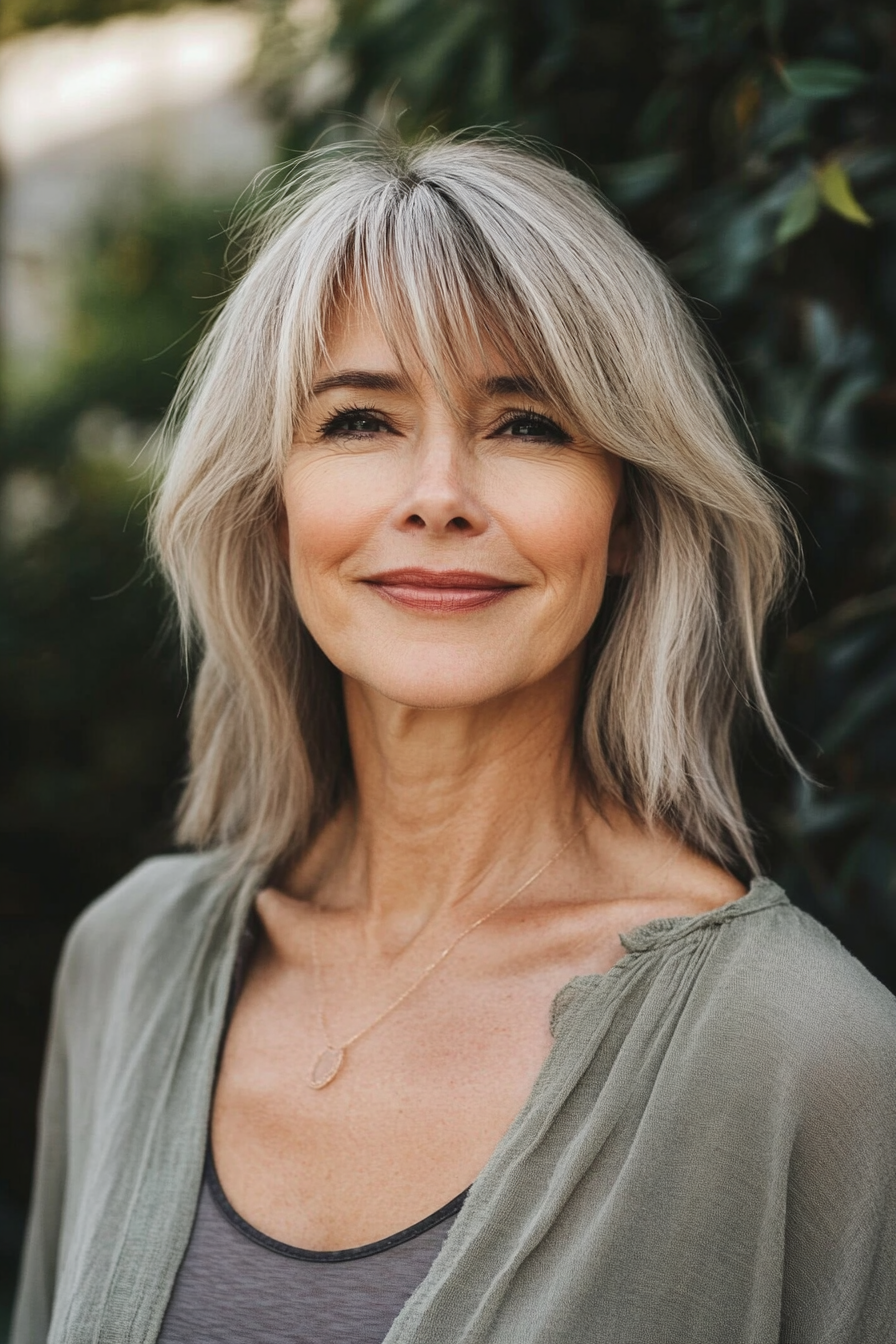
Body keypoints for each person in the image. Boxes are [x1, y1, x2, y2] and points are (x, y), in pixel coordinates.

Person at [11, 132, 896, 1344]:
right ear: (273, 504)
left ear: (626, 512)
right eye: (360, 421)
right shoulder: (125, 964)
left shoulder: (806, 1051)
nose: (437, 494)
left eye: (526, 424)